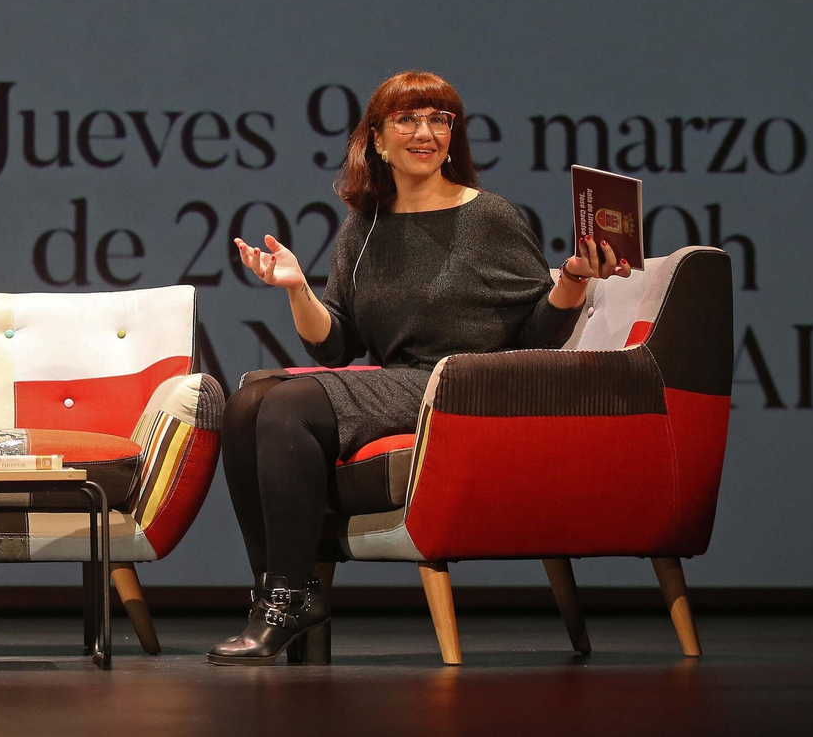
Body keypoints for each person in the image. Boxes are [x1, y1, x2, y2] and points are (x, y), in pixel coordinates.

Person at [208, 70, 629, 666]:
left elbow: (538, 331)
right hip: (402, 382)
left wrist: (573, 281)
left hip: (465, 384)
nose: (425, 132)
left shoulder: (490, 217)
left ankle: (287, 599)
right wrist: (297, 287)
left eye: (439, 120)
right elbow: (336, 346)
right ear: (377, 140)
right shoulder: (367, 224)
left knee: (283, 403)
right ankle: (280, 597)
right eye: (407, 119)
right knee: (247, 403)